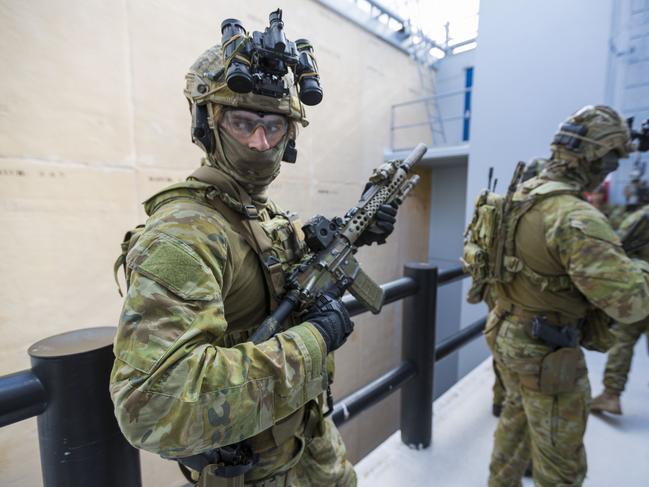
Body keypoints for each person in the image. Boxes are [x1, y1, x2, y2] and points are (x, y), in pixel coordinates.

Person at [109, 23, 396, 485]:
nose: (261, 143)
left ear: (290, 135)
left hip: (309, 436)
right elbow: (154, 405)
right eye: (243, 123)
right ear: (208, 124)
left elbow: (279, 289)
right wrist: (314, 341)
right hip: (251, 469)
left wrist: (353, 233)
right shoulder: (186, 232)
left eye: (274, 125)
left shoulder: (256, 213)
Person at [473, 105, 649, 486]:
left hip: (507, 332)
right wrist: (639, 266)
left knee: (514, 430)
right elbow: (632, 303)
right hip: (547, 352)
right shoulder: (574, 217)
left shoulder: (523, 193)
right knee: (561, 466)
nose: (610, 172)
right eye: (610, 161)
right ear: (593, 157)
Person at [591, 204, 649, 415]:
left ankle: (611, 395)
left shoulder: (643, 216)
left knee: (624, 339)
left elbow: (617, 247)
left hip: (643, 291)